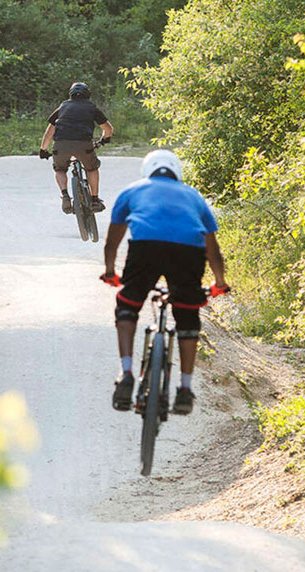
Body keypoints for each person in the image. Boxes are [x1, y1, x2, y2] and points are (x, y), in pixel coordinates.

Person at [101, 149, 228, 416]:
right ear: (176, 172)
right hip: (188, 252)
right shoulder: (194, 196)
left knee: (127, 304)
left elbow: (113, 241)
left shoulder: (132, 191)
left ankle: (125, 373)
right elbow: (212, 247)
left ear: (148, 171)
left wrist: (111, 271)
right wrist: (219, 281)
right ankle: (184, 389)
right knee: (187, 314)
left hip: (145, 248)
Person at [38, 81, 114, 213]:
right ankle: (95, 200)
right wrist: (104, 139)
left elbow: (49, 132)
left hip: (61, 144)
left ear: (71, 95)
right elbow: (108, 129)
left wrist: (43, 150)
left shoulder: (62, 107)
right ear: (87, 95)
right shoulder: (92, 108)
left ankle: (65, 195)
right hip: (83, 145)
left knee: (60, 169)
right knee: (91, 169)